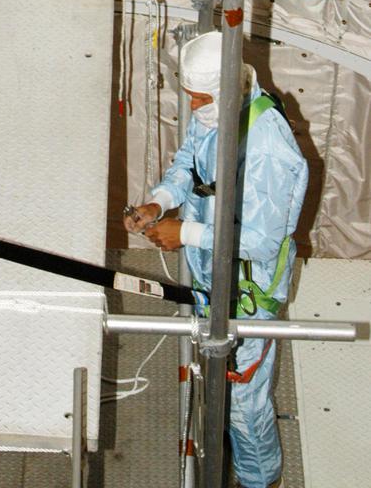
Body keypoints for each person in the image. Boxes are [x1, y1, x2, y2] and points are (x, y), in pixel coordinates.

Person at [124, 31, 308, 488]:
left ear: (224, 90)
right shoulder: (216, 112)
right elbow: (189, 161)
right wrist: (161, 202)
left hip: (249, 288)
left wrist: (184, 232)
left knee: (246, 402)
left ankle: (259, 480)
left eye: (200, 98)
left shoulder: (267, 145)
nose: (193, 107)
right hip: (214, 272)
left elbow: (263, 242)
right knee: (220, 381)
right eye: (189, 97)